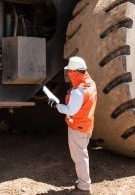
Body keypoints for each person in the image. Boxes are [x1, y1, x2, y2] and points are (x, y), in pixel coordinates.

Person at [48, 56, 97, 194]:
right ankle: (83, 183)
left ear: (75, 72)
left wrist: (56, 105)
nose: (68, 73)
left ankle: (84, 187)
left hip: (78, 128)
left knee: (80, 158)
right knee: (82, 155)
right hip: (86, 126)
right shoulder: (90, 84)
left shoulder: (77, 92)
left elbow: (71, 110)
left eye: (69, 71)